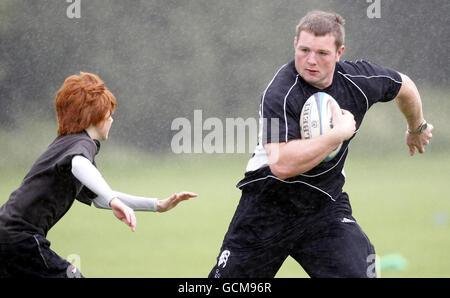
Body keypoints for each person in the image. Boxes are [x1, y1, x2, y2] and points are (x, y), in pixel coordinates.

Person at [209, 10, 433, 278]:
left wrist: (416, 127)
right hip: (267, 208)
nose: (310, 60)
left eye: (322, 53)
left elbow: (403, 86)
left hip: (324, 206)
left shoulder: (358, 81)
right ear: (295, 45)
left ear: (339, 53)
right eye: (304, 50)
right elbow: (281, 163)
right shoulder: (279, 93)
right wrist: (336, 135)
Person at [0, 72, 197, 278]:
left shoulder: (68, 144)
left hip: (7, 236)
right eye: (108, 113)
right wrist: (113, 200)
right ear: (94, 116)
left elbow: (99, 198)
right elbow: (79, 165)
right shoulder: (81, 145)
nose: (111, 119)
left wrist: (157, 205)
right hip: (19, 238)